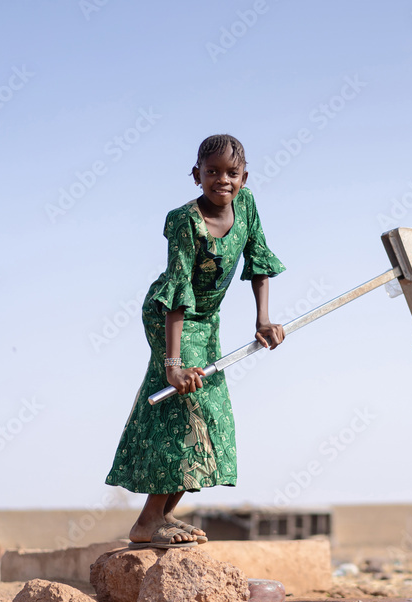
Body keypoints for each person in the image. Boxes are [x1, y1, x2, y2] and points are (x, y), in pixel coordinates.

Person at [105, 134, 286, 547]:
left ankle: (162, 516)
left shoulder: (247, 205)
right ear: (196, 176)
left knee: (212, 413)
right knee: (185, 408)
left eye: (232, 173)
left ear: (244, 177)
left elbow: (258, 259)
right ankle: (148, 522)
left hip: (207, 321)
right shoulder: (183, 221)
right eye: (212, 172)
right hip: (171, 317)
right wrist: (172, 364)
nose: (223, 180)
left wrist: (264, 321)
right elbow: (178, 288)